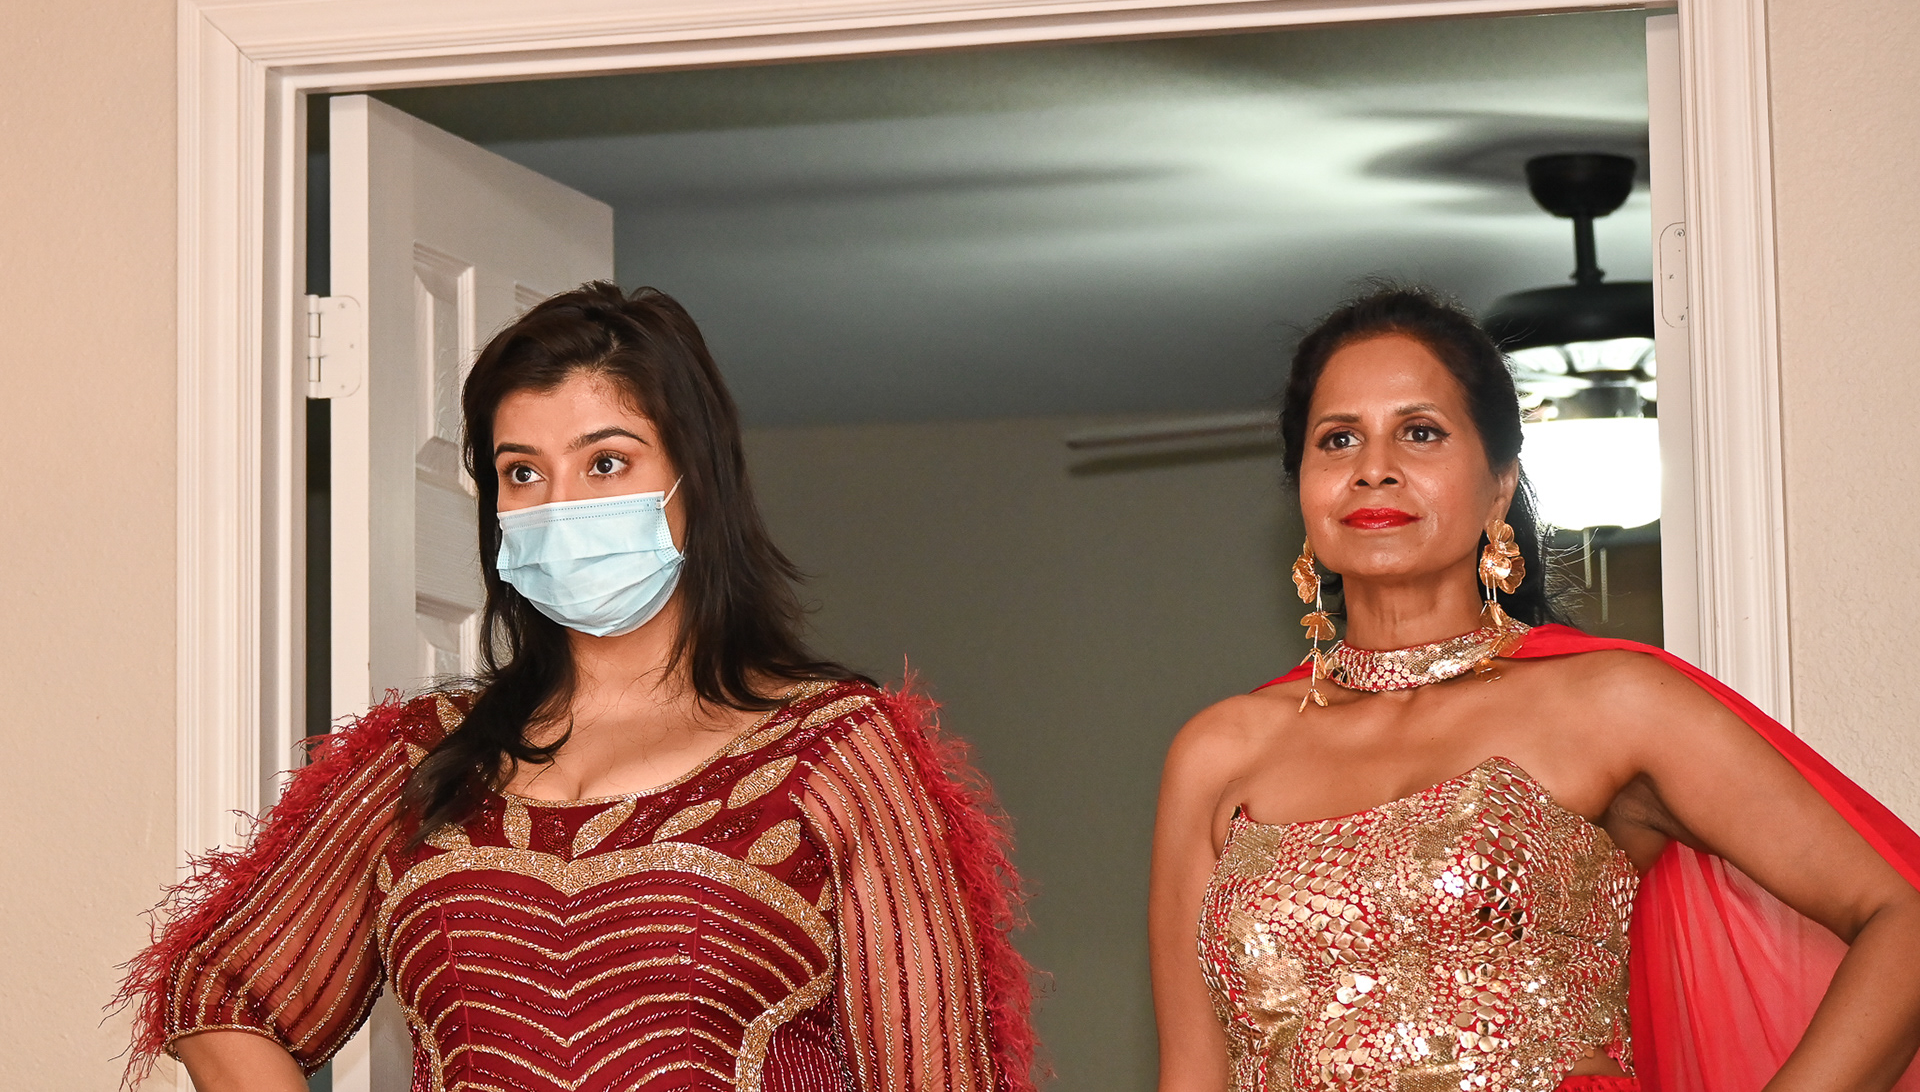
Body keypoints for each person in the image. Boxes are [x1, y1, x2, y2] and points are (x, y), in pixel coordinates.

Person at [118, 283, 1036, 1092]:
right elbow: (220, 992)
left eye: (606, 462)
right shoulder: (420, 757)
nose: (561, 505)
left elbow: (941, 1071)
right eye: (523, 472)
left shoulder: (836, 755)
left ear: (697, 479)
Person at [1148, 287, 1920, 1092]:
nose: (1374, 468)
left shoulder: (1611, 701)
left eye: (1420, 431)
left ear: (1499, 484)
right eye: (1339, 438)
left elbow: (1901, 917)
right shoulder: (1220, 752)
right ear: (1304, 488)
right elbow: (1193, 1074)